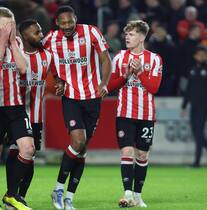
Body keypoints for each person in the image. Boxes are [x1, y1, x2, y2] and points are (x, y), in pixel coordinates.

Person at [43, 5, 112, 210]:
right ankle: (57, 188)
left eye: (70, 22)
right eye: (63, 23)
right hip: (71, 97)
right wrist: (57, 79)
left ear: (76, 19)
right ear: (57, 23)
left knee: (82, 150)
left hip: (92, 98)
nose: (67, 26)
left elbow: (105, 59)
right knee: (78, 141)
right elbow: (38, 56)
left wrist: (104, 83)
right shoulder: (50, 39)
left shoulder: (91, 31)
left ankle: (69, 198)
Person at [107, 20, 163, 207]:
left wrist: (139, 73)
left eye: (131, 34)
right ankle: (128, 193)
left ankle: (138, 195)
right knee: (127, 151)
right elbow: (111, 86)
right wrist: (126, 75)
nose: (127, 37)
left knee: (142, 155)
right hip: (125, 113)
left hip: (146, 115)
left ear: (141, 37)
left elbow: (154, 88)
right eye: (126, 34)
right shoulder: (119, 57)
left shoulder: (155, 59)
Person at [0, 7, 35, 210]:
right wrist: (3, 43)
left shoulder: (18, 42)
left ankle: (11, 195)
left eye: (12, 25)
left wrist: (13, 43)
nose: (9, 29)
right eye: (6, 26)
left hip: (15, 106)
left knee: (28, 149)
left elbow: (23, 68)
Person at [16, 19, 54, 200]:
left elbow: (59, 75)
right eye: (36, 32)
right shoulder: (14, 55)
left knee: (29, 157)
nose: (41, 35)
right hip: (13, 115)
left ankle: (20, 196)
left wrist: (61, 83)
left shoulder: (47, 56)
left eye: (41, 31)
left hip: (35, 118)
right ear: (24, 35)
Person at [181, 45, 207, 168]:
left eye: (203, 55)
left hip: (204, 107)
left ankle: (196, 163)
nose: (201, 57)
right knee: (197, 134)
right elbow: (188, 90)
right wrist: (184, 106)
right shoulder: (191, 70)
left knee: (199, 134)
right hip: (194, 107)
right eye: (199, 54)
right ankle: (196, 162)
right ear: (195, 56)